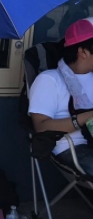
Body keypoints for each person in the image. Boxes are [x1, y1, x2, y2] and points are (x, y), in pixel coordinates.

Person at [29, 17, 93, 177]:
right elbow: (41, 127)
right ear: (83, 52)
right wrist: (87, 117)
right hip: (72, 146)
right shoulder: (49, 79)